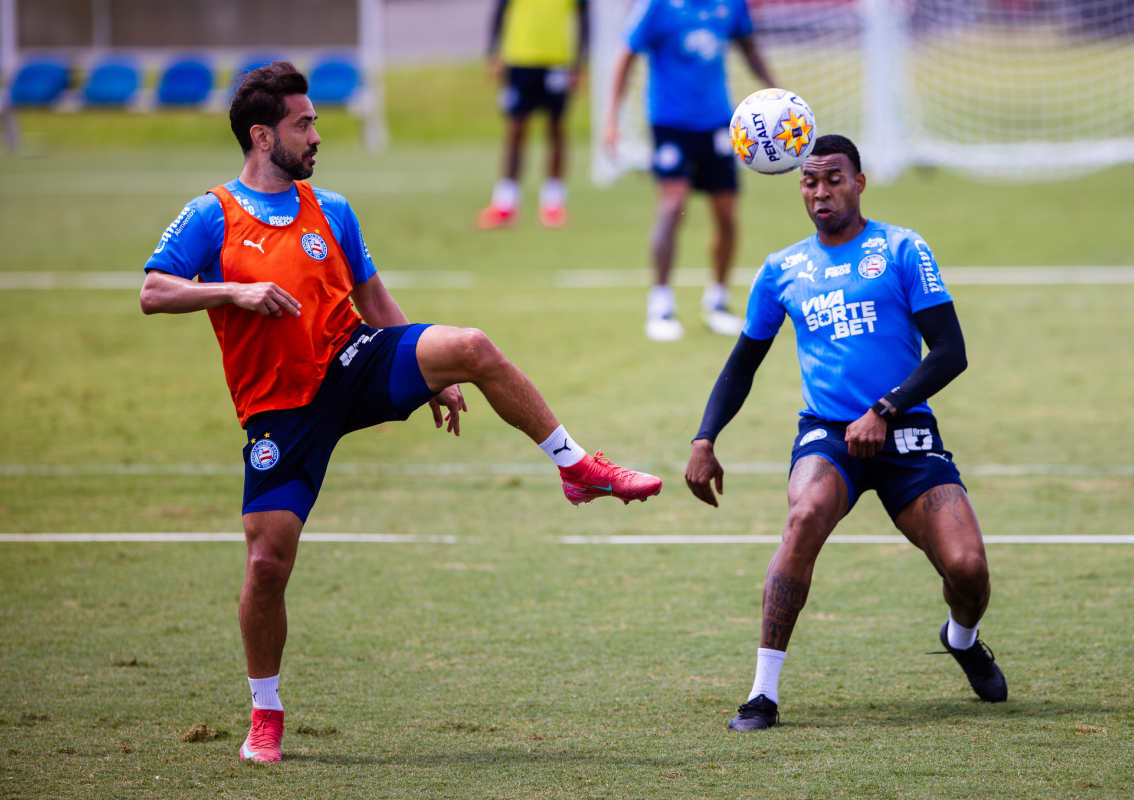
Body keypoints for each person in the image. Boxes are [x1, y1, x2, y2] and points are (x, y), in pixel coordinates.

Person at [139, 62, 662, 763]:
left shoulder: (335, 210)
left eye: (316, 120)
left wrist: (435, 376)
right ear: (263, 136)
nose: (317, 134)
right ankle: (266, 712)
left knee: (472, 346)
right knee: (267, 563)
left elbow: (376, 302)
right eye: (304, 124)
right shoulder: (213, 215)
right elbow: (152, 290)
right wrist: (234, 293)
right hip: (280, 410)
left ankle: (575, 466)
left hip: (354, 362)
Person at [684, 134, 1007, 731]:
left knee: (967, 569)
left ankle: (962, 639)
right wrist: (705, 439)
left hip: (904, 430)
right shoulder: (783, 269)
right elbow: (742, 365)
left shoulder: (903, 250)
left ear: (860, 182)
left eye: (834, 178)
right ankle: (763, 693)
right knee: (803, 516)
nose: (821, 192)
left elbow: (951, 353)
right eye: (810, 182)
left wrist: (884, 409)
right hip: (829, 436)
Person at [604, 0, 775, 341]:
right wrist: (612, 119)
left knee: (726, 214)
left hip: (718, 123)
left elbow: (749, 47)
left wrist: (776, 90)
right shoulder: (657, 7)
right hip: (670, 124)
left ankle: (718, 301)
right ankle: (661, 304)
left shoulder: (731, 5)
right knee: (672, 207)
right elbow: (626, 55)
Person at [476, 0, 588, 229]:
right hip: (519, 57)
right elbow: (500, 10)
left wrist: (580, 61)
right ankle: (506, 202)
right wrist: (493, 52)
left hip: (558, 58)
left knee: (556, 129)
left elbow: (583, 15)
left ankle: (553, 203)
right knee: (516, 129)